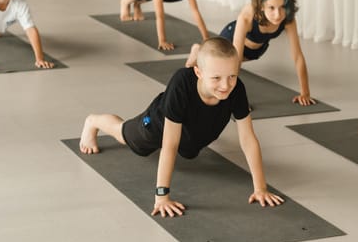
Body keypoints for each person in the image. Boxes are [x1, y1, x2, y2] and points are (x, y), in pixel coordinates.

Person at [79, 37, 285, 217]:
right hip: (159, 123)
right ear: (198, 72)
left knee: (188, 151)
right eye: (216, 78)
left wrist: (260, 188)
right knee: (128, 137)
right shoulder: (181, 84)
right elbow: (169, 143)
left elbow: (248, 138)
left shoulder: (236, 88)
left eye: (232, 76)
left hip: (195, 130)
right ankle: (93, 121)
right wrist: (162, 196)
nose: (225, 85)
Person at [186, 0, 315, 106]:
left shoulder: (287, 18)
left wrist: (305, 93)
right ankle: (198, 50)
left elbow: (297, 56)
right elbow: (235, 59)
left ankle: (200, 50)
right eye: (271, 8)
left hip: (256, 50)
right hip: (231, 41)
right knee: (217, 67)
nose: (277, 14)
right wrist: (238, 101)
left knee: (226, 67)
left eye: (282, 7)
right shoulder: (248, 14)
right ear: (262, 6)